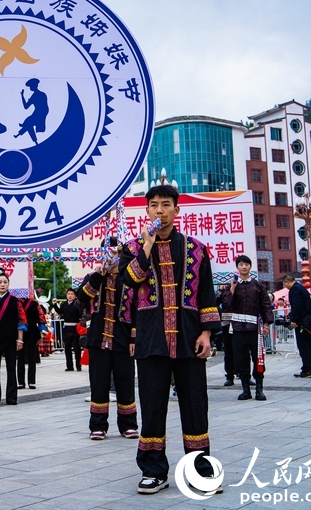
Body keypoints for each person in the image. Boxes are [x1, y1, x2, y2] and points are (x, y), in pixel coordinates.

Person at [119, 184, 221, 496]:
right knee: (152, 407)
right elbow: (130, 280)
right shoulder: (133, 248)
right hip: (152, 341)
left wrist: (206, 332)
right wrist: (147, 246)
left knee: (195, 406)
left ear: (177, 210)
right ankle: (153, 470)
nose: (160, 210)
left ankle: (199, 470)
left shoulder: (196, 249)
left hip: (190, 339)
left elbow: (206, 294)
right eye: (154, 205)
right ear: (146, 211)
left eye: (166, 204)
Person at [78, 237, 138, 440]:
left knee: (125, 382)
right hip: (98, 339)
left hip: (123, 339)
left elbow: (138, 311)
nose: (112, 257)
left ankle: (128, 424)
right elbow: (81, 299)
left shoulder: (128, 279)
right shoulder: (94, 277)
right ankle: (98, 426)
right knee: (99, 384)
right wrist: (98, 275)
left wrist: (134, 339)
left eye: (116, 253)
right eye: (109, 253)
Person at [220, 255, 274, 401]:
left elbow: (265, 305)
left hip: (255, 329)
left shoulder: (258, 286)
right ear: (237, 267)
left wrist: (267, 325)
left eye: (246, 264)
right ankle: (245, 389)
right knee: (240, 359)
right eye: (241, 264)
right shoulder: (231, 285)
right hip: (237, 329)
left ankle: (259, 389)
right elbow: (226, 305)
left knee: (258, 359)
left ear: (250, 267)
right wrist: (231, 290)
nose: (244, 267)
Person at [0, 268, 27, 406]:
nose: (2, 284)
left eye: (5, 282)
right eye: (0, 282)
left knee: (11, 368)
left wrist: (20, 339)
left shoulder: (15, 301)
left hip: (10, 338)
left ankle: (11, 397)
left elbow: (21, 320)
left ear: (8, 284)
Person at [284, 275, 311, 378]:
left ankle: (307, 369)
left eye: (284, 284)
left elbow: (297, 305)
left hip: (302, 322)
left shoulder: (294, 290)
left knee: (303, 346)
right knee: (308, 345)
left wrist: (294, 320)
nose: (285, 286)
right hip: (308, 320)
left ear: (287, 282)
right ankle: (309, 368)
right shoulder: (301, 287)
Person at [17, 293, 45, 390]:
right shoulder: (16, 302)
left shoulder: (34, 303)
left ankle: (31, 381)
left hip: (32, 331)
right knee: (20, 357)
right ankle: (21, 381)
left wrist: (41, 333)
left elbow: (41, 317)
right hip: (19, 331)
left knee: (32, 357)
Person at [51, 289, 83, 371]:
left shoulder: (77, 304)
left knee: (76, 348)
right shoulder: (64, 304)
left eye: (72, 294)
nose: (70, 296)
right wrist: (54, 305)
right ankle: (69, 366)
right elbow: (60, 312)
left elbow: (81, 315)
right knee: (67, 348)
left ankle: (78, 365)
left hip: (75, 328)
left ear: (75, 295)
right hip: (66, 328)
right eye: (68, 294)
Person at [215, 284, 236, 387]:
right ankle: (229, 375)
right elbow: (213, 302)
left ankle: (245, 374)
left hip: (241, 323)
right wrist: (220, 290)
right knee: (228, 351)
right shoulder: (223, 290)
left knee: (243, 351)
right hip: (226, 324)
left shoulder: (244, 286)